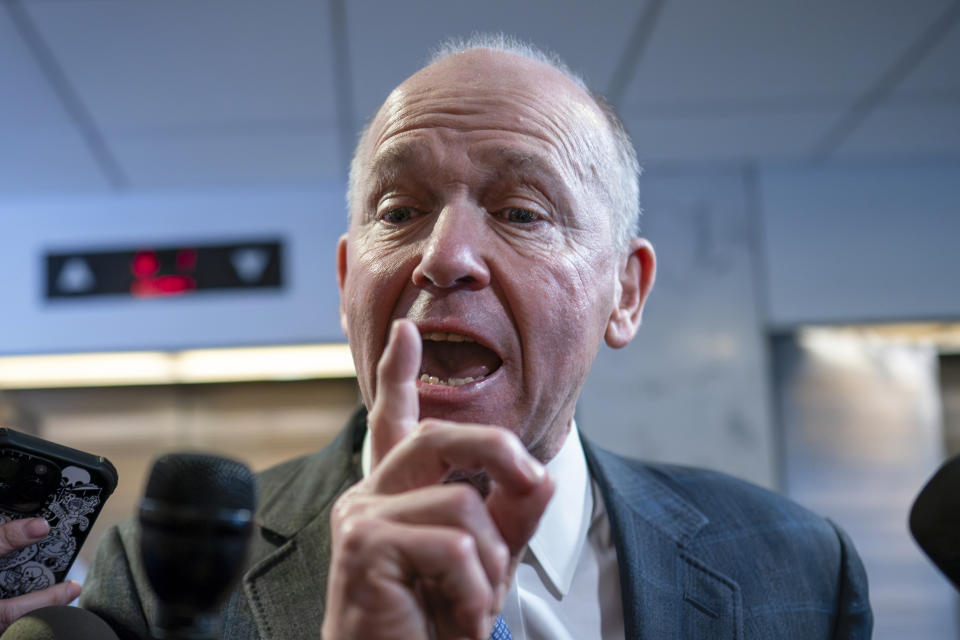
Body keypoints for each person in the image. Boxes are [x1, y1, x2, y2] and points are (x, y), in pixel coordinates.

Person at [7, 35, 872, 638]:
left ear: (625, 292)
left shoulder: (799, 569)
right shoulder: (148, 584)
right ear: (348, 281)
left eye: (523, 211)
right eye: (401, 211)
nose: (445, 256)